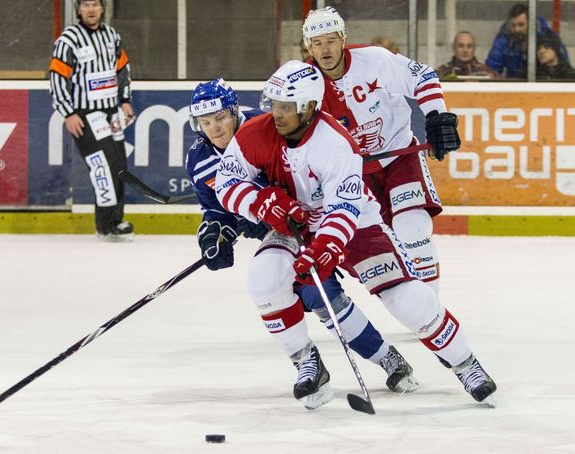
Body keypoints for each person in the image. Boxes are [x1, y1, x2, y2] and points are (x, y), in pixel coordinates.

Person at [214, 60, 497, 409]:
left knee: (407, 299)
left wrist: (325, 248)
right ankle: (307, 364)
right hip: (295, 225)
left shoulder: (336, 143)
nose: (277, 114)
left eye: (286, 107)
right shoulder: (255, 134)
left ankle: (466, 364)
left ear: (310, 106)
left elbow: (343, 210)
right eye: (273, 104)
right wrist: (261, 203)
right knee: (264, 279)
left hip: (355, 222)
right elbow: (226, 184)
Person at [186, 78, 419, 409]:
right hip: (276, 232)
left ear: (235, 111)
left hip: (316, 219)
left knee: (324, 294)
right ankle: (308, 363)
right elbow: (214, 209)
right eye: (205, 122)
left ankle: (386, 359)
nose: (215, 129)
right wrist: (215, 234)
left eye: (221, 118)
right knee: (301, 293)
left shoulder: (267, 126)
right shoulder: (198, 160)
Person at [302, 6, 455, 295]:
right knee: (383, 248)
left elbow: (422, 76)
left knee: (412, 229)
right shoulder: (304, 84)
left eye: (331, 40)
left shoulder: (374, 59)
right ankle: (411, 299)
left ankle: (431, 307)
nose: (325, 49)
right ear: (308, 46)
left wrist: (436, 115)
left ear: (343, 39)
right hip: (353, 176)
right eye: (317, 42)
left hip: (399, 157)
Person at [49, 0, 134, 242]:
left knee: (119, 165)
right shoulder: (69, 39)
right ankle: (106, 224)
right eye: (85, 4)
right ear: (78, 9)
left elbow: (122, 69)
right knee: (103, 166)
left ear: (102, 8)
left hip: (111, 114)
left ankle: (115, 220)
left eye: (95, 4)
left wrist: (125, 99)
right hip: (84, 116)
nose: (91, 9)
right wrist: (68, 113)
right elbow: (57, 77)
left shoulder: (111, 36)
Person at [485, 3, 568, 79]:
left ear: (531, 23)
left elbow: (563, 67)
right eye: (513, 25)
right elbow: (491, 70)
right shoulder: (503, 39)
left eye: (521, 25)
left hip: (542, 83)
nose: (516, 29)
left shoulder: (548, 37)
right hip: (513, 85)